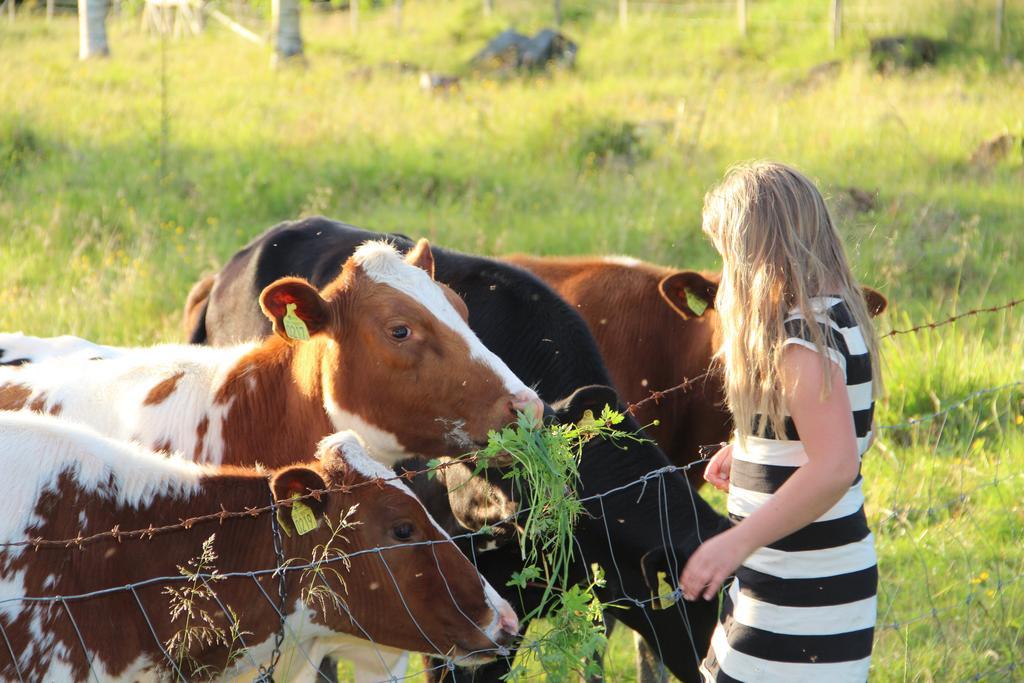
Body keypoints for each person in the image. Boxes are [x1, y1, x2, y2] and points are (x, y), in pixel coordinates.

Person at [679, 161, 882, 682]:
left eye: (727, 257)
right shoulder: (839, 316)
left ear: (756, 254)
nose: (723, 277)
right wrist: (752, 448)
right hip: (812, 580)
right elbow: (835, 429)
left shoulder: (800, 341)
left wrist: (732, 543)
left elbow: (835, 464)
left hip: (798, 592)